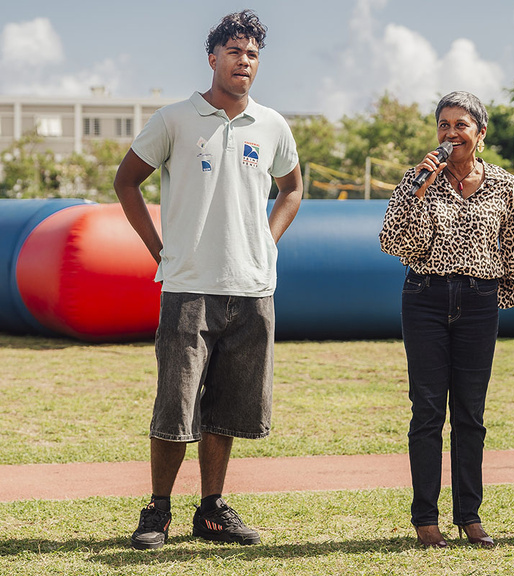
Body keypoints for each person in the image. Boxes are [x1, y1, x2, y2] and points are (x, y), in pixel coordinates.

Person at [113, 10, 302, 550]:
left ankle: (212, 509)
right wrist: (159, 249)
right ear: (213, 57)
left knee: (227, 405)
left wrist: (267, 239)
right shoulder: (174, 119)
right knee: (175, 402)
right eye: (235, 51)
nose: (245, 61)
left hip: (251, 287)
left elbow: (291, 187)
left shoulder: (271, 125)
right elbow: (127, 181)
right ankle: (158, 510)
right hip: (188, 286)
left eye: (253, 54)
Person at [379, 91, 514, 548]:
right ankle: (426, 519)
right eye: (443, 125)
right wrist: (419, 190)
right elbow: (394, 240)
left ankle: (470, 516)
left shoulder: (504, 185)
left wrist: (500, 295)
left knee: (470, 414)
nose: (450, 133)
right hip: (424, 297)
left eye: (461, 125)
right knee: (427, 411)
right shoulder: (418, 178)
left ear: (480, 134)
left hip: (479, 302)